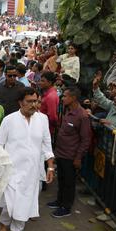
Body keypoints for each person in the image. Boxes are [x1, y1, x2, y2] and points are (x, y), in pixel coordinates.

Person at [0, 87, 55, 231]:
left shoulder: (42, 119)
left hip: (32, 171)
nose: (33, 104)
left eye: (35, 101)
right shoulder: (9, 120)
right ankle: (3, 225)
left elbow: (47, 145)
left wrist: (50, 167)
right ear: (20, 102)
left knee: (26, 202)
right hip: (11, 170)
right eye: (29, 101)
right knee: (9, 202)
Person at [48, 87, 91, 218]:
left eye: (65, 96)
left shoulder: (82, 116)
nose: (62, 98)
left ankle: (66, 207)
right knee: (61, 179)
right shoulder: (68, 110)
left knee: (69, 183)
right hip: (61, 153)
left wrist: (78, 158)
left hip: (71, 156)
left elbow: (85, 139)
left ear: (73, 98)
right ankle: (59, 201)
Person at [39, 71, 59, 136]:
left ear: (49, 82)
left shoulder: (51, 96)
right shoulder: (48, 93)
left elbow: (52, 116)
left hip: (47, 129)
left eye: (43, 81)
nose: (40, 83)